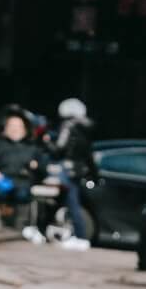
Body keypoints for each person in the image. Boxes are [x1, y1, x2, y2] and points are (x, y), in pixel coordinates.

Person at [46, 97, 95, 250]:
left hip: (66, 169)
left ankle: (80, 236)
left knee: (72, 202)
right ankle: (66, 233)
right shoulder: (86, 128)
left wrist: (47, 142)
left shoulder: (68, 127)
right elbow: (89, 154)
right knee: (70, 201)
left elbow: (59, 149)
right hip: (78, 170)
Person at [0, 112, 43, 238]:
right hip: (2, 181)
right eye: (12, 126)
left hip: (23, 182)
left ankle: (18, 228)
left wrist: (36, 166)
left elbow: (43, 168)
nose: (15, 129)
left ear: (24, 130)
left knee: (22, 194)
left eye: (18, 126)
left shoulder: (32, 148)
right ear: (5, 129)